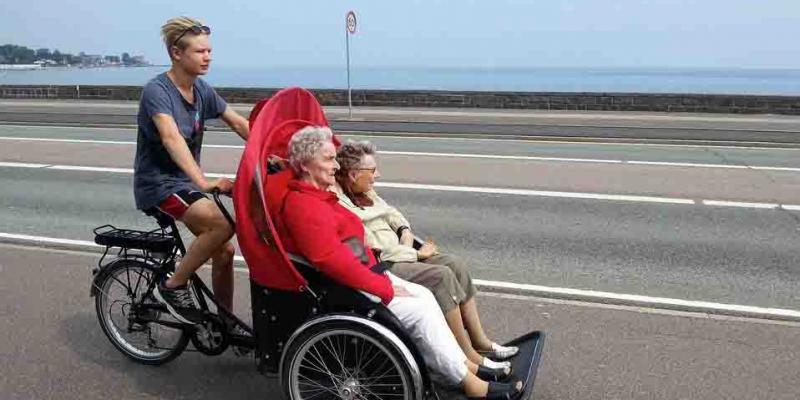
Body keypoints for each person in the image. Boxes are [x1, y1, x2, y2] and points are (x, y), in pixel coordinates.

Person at [274, 126, 523, 399]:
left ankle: (465, 366)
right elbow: (331, 261)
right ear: (306, 165)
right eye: (328, 159)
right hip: (349, 287)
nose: (335, 165)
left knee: (426, 297)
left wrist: (382, 278)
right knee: (419, 310)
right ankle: (471, 384)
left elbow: (354, 250)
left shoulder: (320, 197)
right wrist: (385, 288)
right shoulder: (304, 205)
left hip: (366, 276)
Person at [333, 140, 519, 367]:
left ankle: (480, 340)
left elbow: (392, 213)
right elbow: (371, 246)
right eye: (372, 171)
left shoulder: (366, 190)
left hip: (403, 249)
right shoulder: (340, 204)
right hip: (387, 262)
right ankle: (467, 353)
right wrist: (415, 255)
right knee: (441, 276)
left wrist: (404, 231)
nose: (377, 175)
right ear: (353, 174)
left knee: (456, 264)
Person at [133, 16, 250, 324]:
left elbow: (238, 123)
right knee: (222, 225)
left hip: (184, 184)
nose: (208, 57)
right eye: (200, 51)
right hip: (159, 185)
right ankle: (172, 285)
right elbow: (171, 137)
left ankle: (226, 322)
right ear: (176, 53)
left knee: (224, 252)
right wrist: (202, 181)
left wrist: (276, 154)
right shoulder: (157, 91)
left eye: (209, 50)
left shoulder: (201, 91)